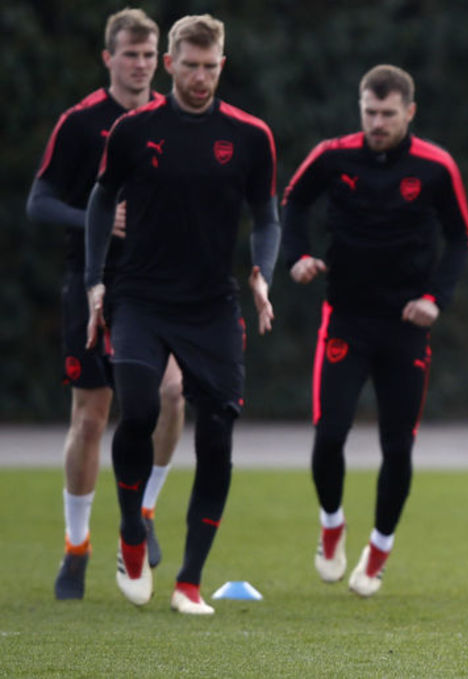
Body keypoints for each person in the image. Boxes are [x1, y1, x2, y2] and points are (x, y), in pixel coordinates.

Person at [83, 14, 279, 615]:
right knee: (140, 410)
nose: (199, 77)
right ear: (170, 64)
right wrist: (94, 281)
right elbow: (101, 199)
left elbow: (267, 216)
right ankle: (131, 532)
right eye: (189, 66)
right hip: (139, 297)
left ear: (223, 65)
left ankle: (189, 582)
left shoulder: (250, 136)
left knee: (217, 435)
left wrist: (262, 273)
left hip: (211, 304)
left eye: (210, 67)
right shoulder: (134, 130)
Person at [280, 65, 468, 597]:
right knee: (329, 434)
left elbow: (460, 238)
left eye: (388, 114)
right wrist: (296, 256)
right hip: (345, 317)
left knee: (398, 446)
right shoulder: (332, 156)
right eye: (370, 112)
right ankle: (331, 524)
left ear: (409, 112)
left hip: (405, 326)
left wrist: (435, 299)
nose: (378, 123)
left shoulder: (435, 166)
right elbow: (293, 201)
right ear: (360, 109)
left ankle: (379, 548)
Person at [26, 7, 184, 601]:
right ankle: (76, 548)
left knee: (172, 394)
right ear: (108, 58)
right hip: (92, 282)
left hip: (158, 284)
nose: (140, 65)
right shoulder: (80, 123)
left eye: (148, 55)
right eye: (129, 54)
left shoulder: (176, 119)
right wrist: (96, 219)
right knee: (91, 418)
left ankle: (144, 512)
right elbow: (39, 201)